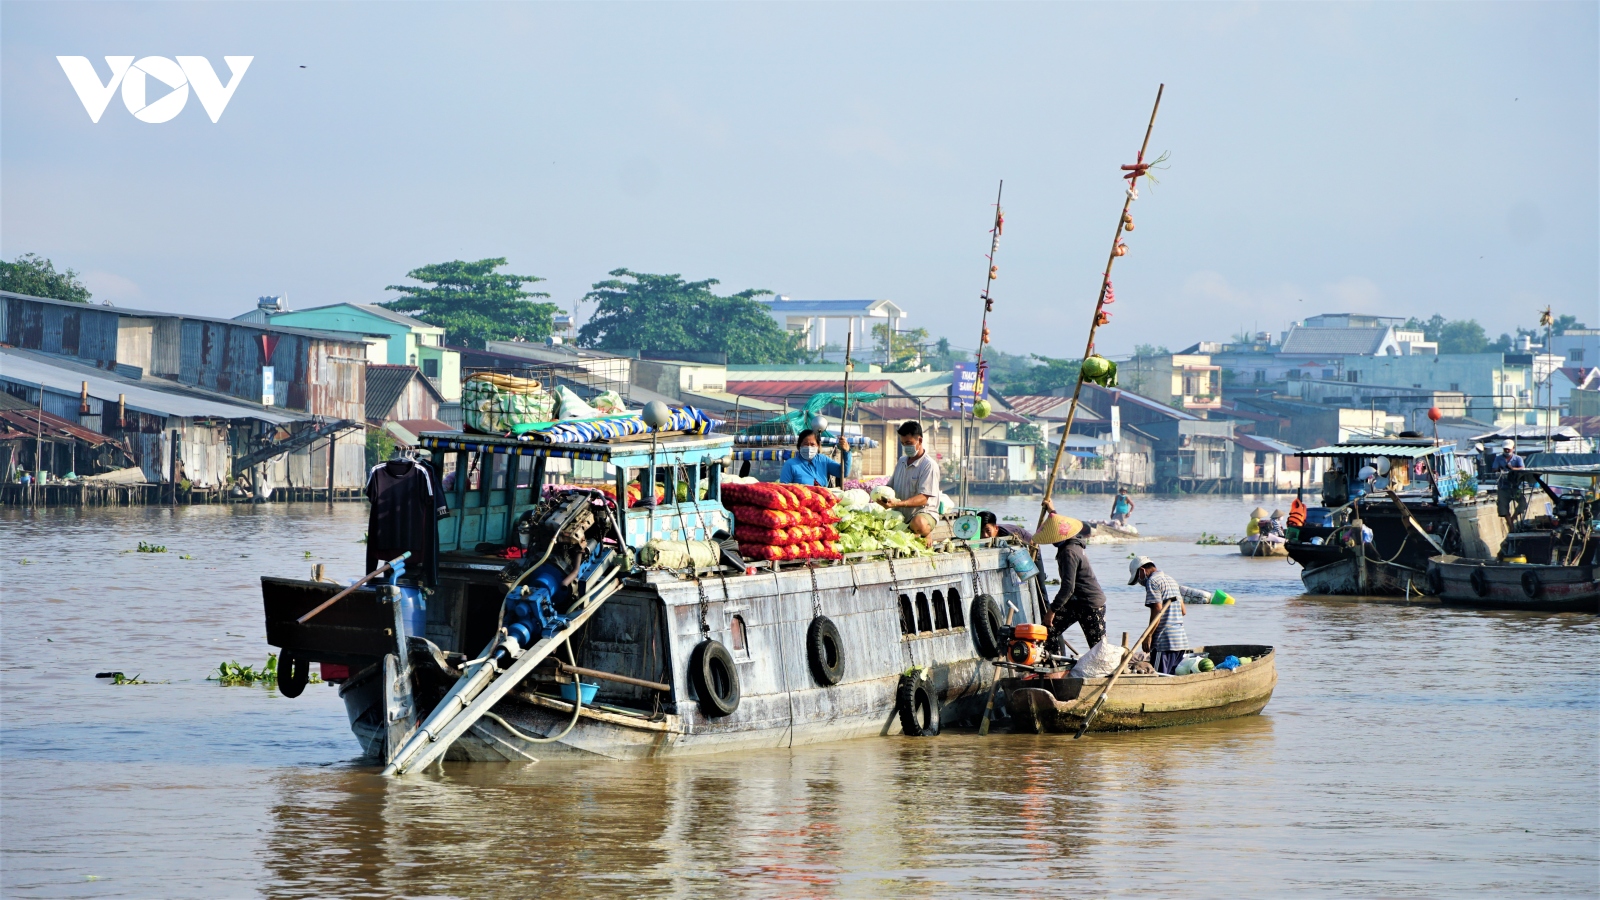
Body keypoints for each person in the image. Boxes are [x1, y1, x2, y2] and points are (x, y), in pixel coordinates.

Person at [1036, 498, 1106, 649]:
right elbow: (1059, 525)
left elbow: (1068, 587)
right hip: (1075, 601)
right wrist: (1051, 510)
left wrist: (1052, 610)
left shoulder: (1069, 552)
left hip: (1090, 604)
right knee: (1047, 632)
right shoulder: (1071, 542)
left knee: (1099, 649)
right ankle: (1052, 666)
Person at [877, 421, 939, 539]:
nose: (905, 447)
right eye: (903, 443)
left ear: (919, 441)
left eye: (908, 443)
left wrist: (899, 503)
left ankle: (925, 532)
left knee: (919, 523)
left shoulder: (928, 465)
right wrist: (880, 496)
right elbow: (891, 486)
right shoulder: (902, 461)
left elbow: (923, 498)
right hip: (900, 513)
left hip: (921, 513)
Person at [1129, 556, 1189, 675]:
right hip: (1180, 641)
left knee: (1158, 676)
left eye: (1138, 579)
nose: (1140, 583)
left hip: (1164, 642)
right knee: (1171, 676)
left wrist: (1148, 635)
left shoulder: (1152, 582)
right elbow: (1183, 610)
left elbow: (1157, 610)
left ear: (1142, 571)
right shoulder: (1170, 579)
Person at [779, 429, 850, 487]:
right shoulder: (790, 464)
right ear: (799, 446)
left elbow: (843, 473)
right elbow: (784, 489)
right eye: (805, 444)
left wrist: (846, 451)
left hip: (822, 501)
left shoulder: (823, 460)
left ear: (818, 446)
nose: (809, 447)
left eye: (812, 444)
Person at [1491, 439, 1527, 523]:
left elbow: (1522, 468)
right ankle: (1511, 527)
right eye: (1505, 449)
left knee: (1522, 503)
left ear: (1513, 448)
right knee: (1503, 508)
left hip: (1515, 487)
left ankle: (1513, 518)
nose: (1507, 451)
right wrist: (1499, 470)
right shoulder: (1498, 458)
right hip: (1503, 487)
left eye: (1508, 449)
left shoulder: (1518, 458)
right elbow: (1494, 469)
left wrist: (1512, 469)